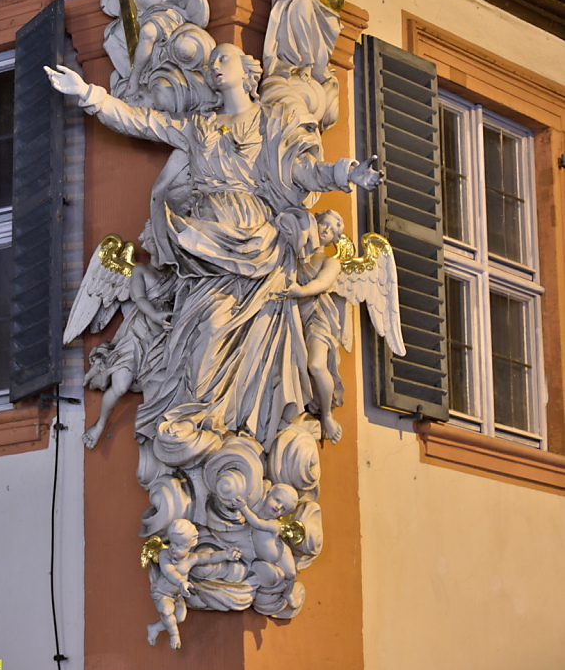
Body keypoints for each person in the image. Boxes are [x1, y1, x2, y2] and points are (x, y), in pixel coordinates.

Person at [45, 44, 381, 451]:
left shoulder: (270, 125)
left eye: (224, 59)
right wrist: (89, 94)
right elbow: (143, 122)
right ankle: (195, 413)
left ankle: (216, 417)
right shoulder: (200, 126)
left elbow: (304, 172)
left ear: (247, 70)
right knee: (201, 326)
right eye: (212, 62)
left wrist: (348, 173)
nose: (215, 66)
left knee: (224, 327)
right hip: (203, 243)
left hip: (255, 244)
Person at [81, 223, 174, 449]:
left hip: (162, 336)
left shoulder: (176, 276)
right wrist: (154, 315)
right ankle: (100, 424)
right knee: (121, 385)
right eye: (153, 240)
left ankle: (163, 429)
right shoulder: (139, 271)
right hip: (138, 332)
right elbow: (140, 299)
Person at [278, 209, 347, 444]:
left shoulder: (331, 261)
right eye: (323, 225)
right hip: (293, 313)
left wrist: (301, 291)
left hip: (318, 313)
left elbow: (322, 282)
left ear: (335, 238)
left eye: (331, 229)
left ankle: (326, 414)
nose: (325, 230)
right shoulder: (296, 255)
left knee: (316, 365)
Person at [147, 519, 242, 649]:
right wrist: (181, 582)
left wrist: (226, 555)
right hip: (162, 593)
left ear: (192, 544)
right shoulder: (165, 555)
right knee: (166, 611)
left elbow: (210, 557)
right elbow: (169, 572)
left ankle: (154, 628)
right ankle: (174, 635)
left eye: (179, 545)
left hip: (178, 596)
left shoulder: (192, 558)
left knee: (179, 618)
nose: (173, 548)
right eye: (172, 543)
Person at [234, 484, 300, 607]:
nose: (278, 507)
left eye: (283, 509)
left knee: (291, 574)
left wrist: (243, 508)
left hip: (280, 555)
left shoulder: (273, 524)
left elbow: (256, 523)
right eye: (277, 500)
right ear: (267, 494)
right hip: (261, 555)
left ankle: (289, 593)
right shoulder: (257, 508)